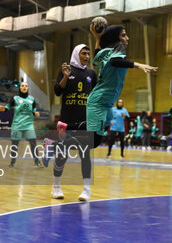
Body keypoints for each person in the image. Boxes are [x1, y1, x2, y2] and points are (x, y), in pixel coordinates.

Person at [86, 23, 157, 199]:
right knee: (93, 142)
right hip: (98, 103)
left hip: (106, 104)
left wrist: (97, 38)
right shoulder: (115, 55)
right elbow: (114, 62)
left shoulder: (106, 52)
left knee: (95, 141)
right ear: (117, 39)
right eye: (124, 35)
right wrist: (139, 65)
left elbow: (97, 55)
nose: (127, 38)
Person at [48, 43, 98, 200]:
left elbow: (97, 96)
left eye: (88, 54)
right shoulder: (66, 70)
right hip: (66, 122)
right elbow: (57, 92)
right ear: (76, 54)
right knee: (62, 155)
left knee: (85, 155)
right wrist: (64, 76)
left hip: (85, 122)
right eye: (83, 53)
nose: (87, 57)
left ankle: (86, 190)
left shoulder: (92, 73)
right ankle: (56, 186)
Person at [0, 81, 41, 168]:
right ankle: (12, 162)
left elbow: (34, 111)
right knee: (14, 144)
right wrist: (3, 109)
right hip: (17, 125)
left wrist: (36, 113)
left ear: (28, 88)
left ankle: (37, 161)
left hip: (28, 125)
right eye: (22, 86)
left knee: (33, 143)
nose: (24, 87)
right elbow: (7, 107)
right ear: (20, 87)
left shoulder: (32, 99)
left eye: (26, 86)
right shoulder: (15, 98)